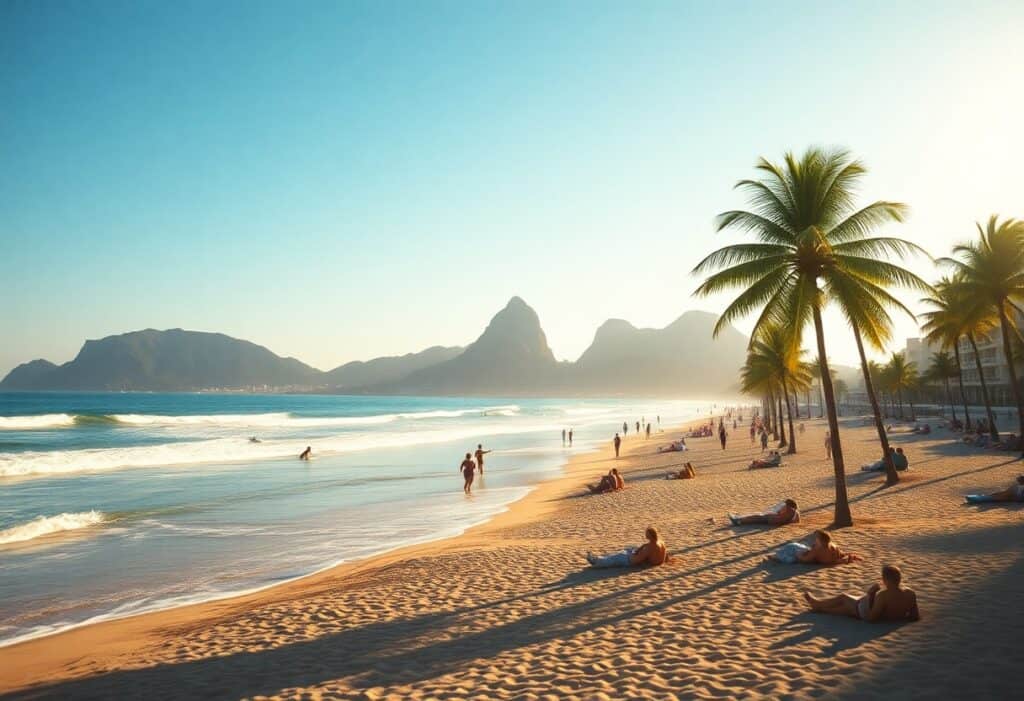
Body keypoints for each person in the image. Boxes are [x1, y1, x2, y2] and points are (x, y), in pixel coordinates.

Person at [803, 565, 920, 622]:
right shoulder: (910, 593)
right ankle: (820, 609)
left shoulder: (883, 595)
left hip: (865, 612)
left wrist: (870, 595)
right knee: (845, 610)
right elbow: (915, 616)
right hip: (880, 612)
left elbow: (871, 619)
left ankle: (817, 604)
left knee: (843, 598)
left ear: (886, 580)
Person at [586, 526, 668, 568]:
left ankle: (596, 562)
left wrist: (632, 554)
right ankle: (600, 557)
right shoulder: (661, 543)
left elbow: (636, 561)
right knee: (629, 547)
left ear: (649, 535)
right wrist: (642, 547)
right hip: (645, 558)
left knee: (616, 557)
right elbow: (664, 556)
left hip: (630, 560)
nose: (645, 535)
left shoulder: (649, 548)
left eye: (646, 533)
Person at [771, 529, 862, 565]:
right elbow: (841, 554)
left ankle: (775, 556)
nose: (815, 539)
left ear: (820, 540)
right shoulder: (833, 546)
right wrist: (846, 557)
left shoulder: (818, 550)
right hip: (814, 553)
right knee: (796, 546)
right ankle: (776, 555)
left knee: (791, 547)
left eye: (817, 538)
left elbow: (805, 560)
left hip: (805, 553)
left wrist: (799, 556)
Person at [728, 498, 799, 526]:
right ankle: (740, 520)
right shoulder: (796, 512)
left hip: (774, 520)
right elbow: (797, 521)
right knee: (758, 518)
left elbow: (779, 513)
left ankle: (739, 521)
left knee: (758, 517)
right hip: (776, 521)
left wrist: (776, 514)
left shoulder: (788, 508)